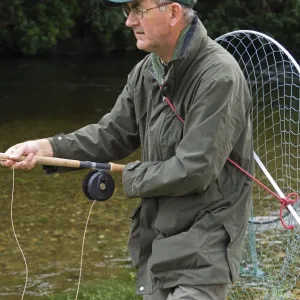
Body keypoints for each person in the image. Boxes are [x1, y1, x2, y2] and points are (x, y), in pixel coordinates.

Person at [1, 0, 253, 299]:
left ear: (172, 13)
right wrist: (45, 146)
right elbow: (112, 134)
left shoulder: (219, 76)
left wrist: (132, 175)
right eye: (127, 11)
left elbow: (196, 169)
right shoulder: (146, 71)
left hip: (206, 241)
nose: (129, 21)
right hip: (156, 238)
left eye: (138, 10)